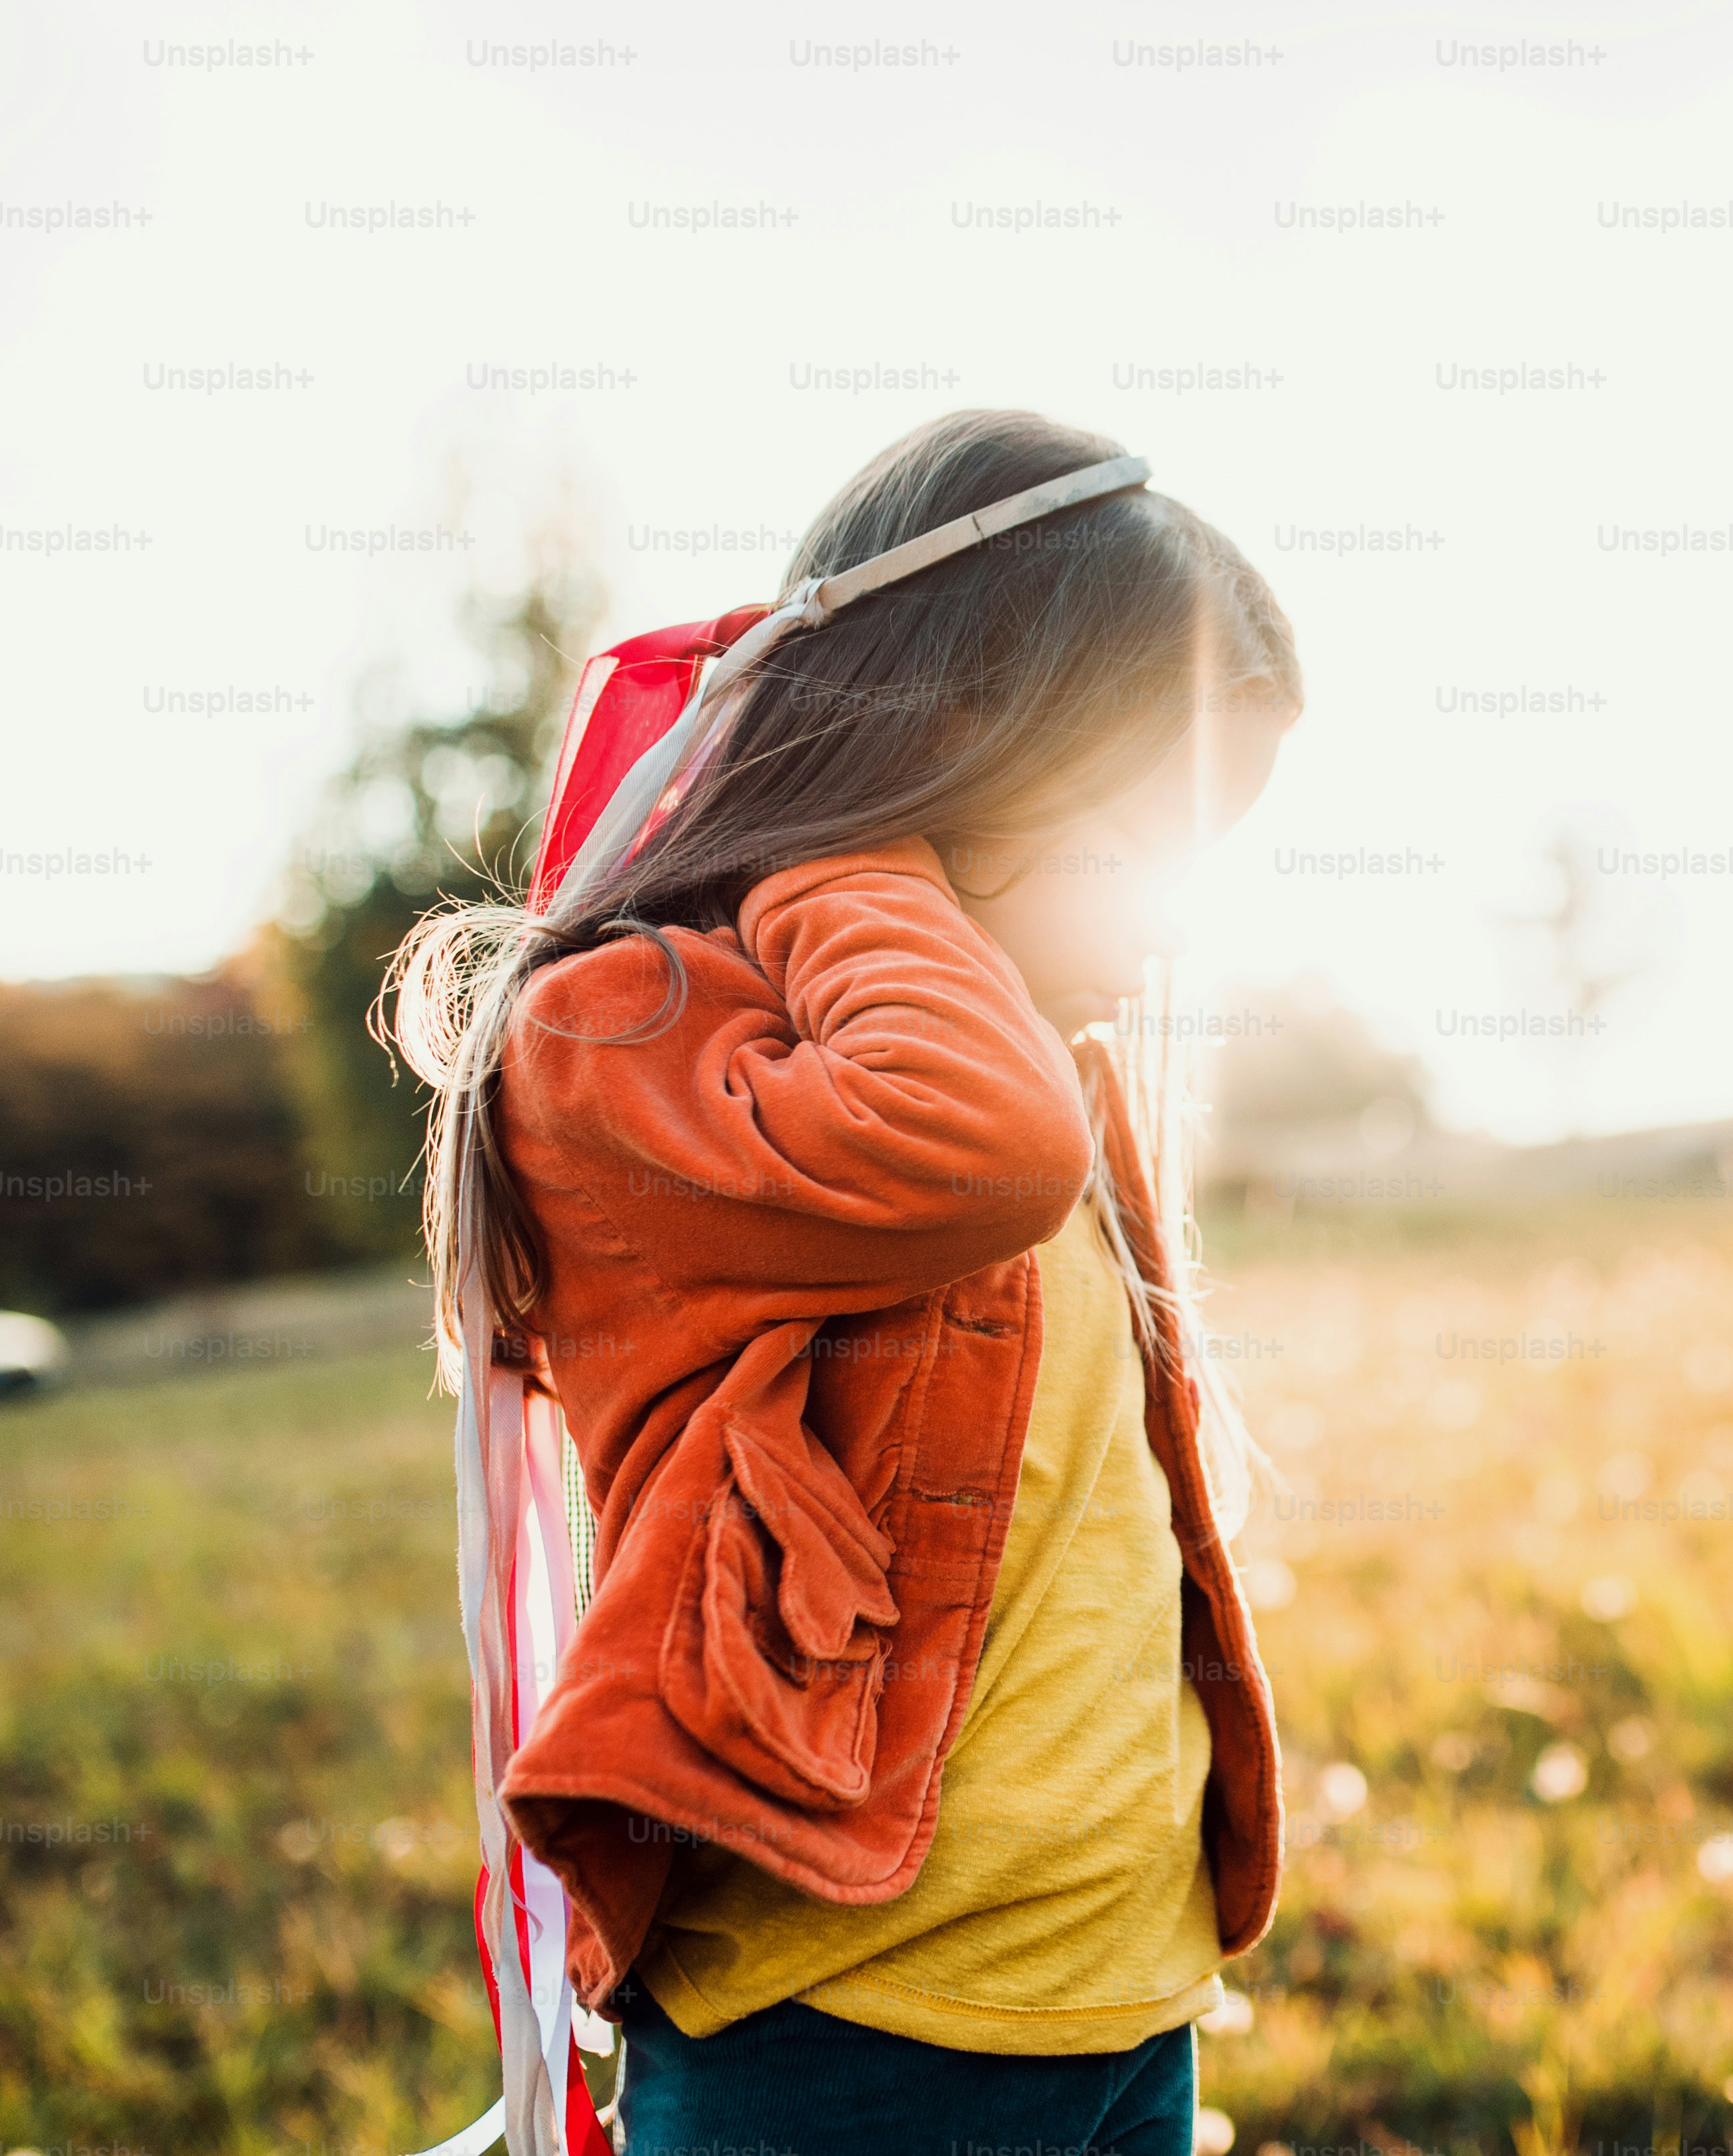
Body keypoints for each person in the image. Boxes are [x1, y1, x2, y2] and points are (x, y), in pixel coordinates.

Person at [388, 411, 1301, 2156]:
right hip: (845, 2032)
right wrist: (854, 847)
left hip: (1114, 1995)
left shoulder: (1034, 1050)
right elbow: (973, 1144)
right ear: (952, 756)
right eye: (1142, 838)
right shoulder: (637, 1033)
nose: (1179, 918)